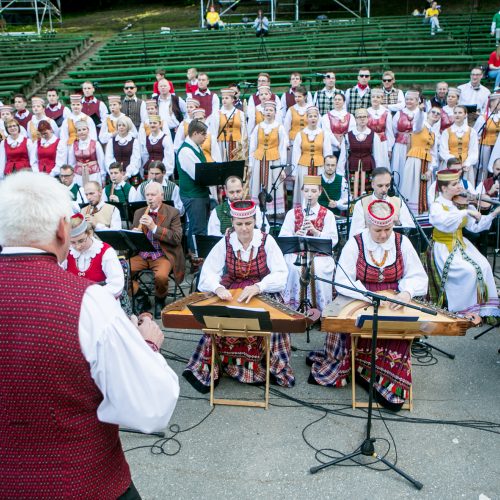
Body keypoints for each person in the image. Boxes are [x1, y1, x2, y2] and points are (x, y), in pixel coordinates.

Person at [0, 171, 179, 499]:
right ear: (60, 228)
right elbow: (150, 409)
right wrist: (148, 346)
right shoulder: (87, 301)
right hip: (82, 482)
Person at [307, 199, 428, 411]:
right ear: (368, 225)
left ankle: (388, 383)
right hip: (361, 298)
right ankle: (359, 368)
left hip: (394, 301)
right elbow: (343, 280)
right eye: (378, 230)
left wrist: (407, 293)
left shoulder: (402, 242)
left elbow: (418, 276)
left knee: (397, 335)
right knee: (354, 328)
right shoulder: (355, 243)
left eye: (388, 229)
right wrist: (366, 294)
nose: (383, 235)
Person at [183, 200, 293, 393]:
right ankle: (227, 364)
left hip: (263, 291)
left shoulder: (266, 240)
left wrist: (259, 286)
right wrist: (217, 288)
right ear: (232, 224)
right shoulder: (226, 242)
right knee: (217, 320)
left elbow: (281, 275)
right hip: (232, 290)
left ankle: (266, 366)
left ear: (255, 221)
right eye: (239, 224)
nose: (244, 229)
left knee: (272, 321)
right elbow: (207, 273)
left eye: (248, 223)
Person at [428, 169, 500, 319]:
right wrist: (465, 212)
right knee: (468, 271)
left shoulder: (462, 202)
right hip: (444, 247)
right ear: (444, 188)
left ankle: (482, 309)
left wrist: (493, 214)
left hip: (461, 244)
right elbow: (444, 222)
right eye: (455, 184)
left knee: (484, 265)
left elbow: (475, 227)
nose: (460, 187)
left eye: (459, 182)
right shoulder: (437, 205)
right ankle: (464, 310)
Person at [279, 175, 337, 312]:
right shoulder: (292, 213)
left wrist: (316, 232)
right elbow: (283, 236)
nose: (309, 195)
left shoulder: (327, 214)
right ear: (302, 192)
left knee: (320, 269)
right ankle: (294, 307)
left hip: (320, 254)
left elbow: (333, 239)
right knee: (293, 268)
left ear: (320, 192)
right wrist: (295, 235)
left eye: (313, 191)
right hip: (297, 252)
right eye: (306, 191)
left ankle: (322, 309)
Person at [131, 181, 184, 318]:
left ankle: (160, 299)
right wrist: (134, 233)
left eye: (153, 195)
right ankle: (141, 296)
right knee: (121, 270)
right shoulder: (138, 212)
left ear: (162, 195)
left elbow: (177, 238)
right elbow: (132, 238)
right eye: (147, 195)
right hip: (142, 254)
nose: (149, 198)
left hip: (162, 254)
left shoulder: (173, 212)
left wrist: (154, 227)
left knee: (161, 276)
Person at [64, 213, 124, 299]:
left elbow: (116, 284)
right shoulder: (67, 251)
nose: (77, 246)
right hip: (74, 301)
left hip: (100, 300)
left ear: (89, 233)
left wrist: (91, 298)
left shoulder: (105, 251)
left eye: (81, 241)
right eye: (72, 242)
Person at [349, 167, 415, 237]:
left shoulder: (399, 202)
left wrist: (398, 222)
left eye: (387, 185)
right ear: (372, 184)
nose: (384, 189)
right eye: (380, 186)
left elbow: (410, 230)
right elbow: (355, 233)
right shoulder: (361, 204)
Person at [177, 119, 211, 252]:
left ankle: (197, 254)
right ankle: (196, 256)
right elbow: (198, 175)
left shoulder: (196, 147)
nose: (205, 137)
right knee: (197, 228)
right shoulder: (186, 151)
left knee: (199, 226)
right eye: (203, 134)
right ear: (195, 133)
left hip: (199, 194)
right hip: (193, 195)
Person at [249, 100, 288, 215]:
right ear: (263, 112)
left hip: (274, 160)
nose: (268, 112)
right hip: (259, 159)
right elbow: (253, 146)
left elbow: (282, 148)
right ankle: (258, 210)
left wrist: (282, 168)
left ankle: (272, 212)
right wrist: (251, 164)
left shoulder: (279, 128)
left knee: (273, 185)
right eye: (266, 110)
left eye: (271, 110)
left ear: (275, 113)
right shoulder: (258, 127)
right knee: (257, 184)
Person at [399, 106, 440, 214]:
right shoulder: (420, 127)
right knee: (413, 187)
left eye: (438, 113)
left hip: (427, 164)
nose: (435, 114)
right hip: (415, 161)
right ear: (428, 113)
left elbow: (434, 154)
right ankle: (409, 212)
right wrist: (421, 111)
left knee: (424, 188)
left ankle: (423, 212)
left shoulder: (433, 134)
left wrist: (431, 170)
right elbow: (417, 122)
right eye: (433, 112)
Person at [338, 108, 383, 198]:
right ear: (355, 119)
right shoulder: (348, 135)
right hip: (352, 167)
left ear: (368, 118)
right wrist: (340, 174)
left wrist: (378, 174)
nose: (362, 119)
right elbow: (343, 156)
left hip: (368, 168)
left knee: (368, 193)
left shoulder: (374, 135)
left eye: (364, 116)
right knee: (350, 192)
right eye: (359, 117)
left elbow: (378, 156)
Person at [291, 105, 330, 205]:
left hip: (319, 166)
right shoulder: (301, 134)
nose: (313, 118)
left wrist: (327, 169)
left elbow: (327, 153)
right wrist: (294, 172)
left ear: (318, 118)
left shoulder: (323, 133)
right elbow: (296, 154)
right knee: (304, 188)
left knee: (318, 188)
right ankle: (302, 211)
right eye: (310, 116)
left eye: (315, 116)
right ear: (307, 118)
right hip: (303, 166)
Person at [439, 105, 479, 185]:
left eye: (460, 113)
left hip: (466, 166)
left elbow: (473, 151)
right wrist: (454, 164)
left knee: (466, 188)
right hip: (449, 165)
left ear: (465, 115)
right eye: (455, 113)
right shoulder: (447, 132)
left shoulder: (471, 132)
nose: (457, 115)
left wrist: (467, 163)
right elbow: (443, 151)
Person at [391, 90, 425, 177]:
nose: (408, 101)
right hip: (400, 145)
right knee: (399, 166)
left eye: (411, 99)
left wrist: (421, 113)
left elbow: (419, 129)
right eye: (407, 99)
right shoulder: (399, 113)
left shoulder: (422, 114)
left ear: (417, 101)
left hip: (415, 145)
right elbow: (394, 129)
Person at [212, 88, 248, 162]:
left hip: (237, 144)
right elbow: (214, 132)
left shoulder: (240, 113)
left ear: (232, 100)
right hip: (222, 145)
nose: (224, 100)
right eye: (223, 98)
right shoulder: (217, 114)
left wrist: (241, 145)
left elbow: (244, 131)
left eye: (226, 98)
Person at [67, 119, 106, 187]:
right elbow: (71, 163)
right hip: (79, 175)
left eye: (84, 129)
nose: (82, 132)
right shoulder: (74, 145)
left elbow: (101, 161)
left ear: (88, 130)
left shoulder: (95, 144)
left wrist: (103, 176)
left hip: (94, 174)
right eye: (79, 130)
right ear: (76, 132)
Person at [105, 115, 141, 181]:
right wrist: (115, 173)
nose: (121, 127)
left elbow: (136, 159)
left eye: (123, 125)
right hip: (114, 174)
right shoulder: (112, 141)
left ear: (128, 127)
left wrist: (127, 174)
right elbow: (108, 158)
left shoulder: (134, 141)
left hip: (130, 174)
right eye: (119, 125)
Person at [473, 93, 500, 179]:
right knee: (485, 167)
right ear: (492, 103)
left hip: (498, 146)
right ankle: (483, 183)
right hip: (486, 145)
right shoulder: (483, 117)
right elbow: (476, 133)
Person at [139, 113, 174, 178]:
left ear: (160, 124)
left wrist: (165, 174)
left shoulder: (165, 138)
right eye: (151, 123)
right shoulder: (147, 138)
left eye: (155, 123)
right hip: (149, 170)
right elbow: (145, 156)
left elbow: (169, 157)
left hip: (161, 170)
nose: (152, 125)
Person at [367, 88, 394, 168]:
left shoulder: (386, 112)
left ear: (382, 99)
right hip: (370, 142)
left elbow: (389, 132)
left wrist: (389, 148)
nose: (375, 99)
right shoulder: (367, 112)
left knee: (382, 164)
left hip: (382, 142)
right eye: (373, 97)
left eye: (378, 97)